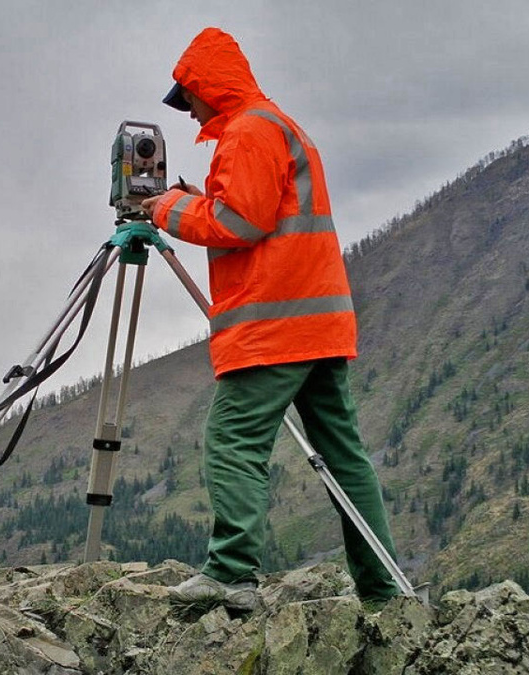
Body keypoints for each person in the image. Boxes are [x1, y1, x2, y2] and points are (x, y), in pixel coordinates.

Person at [139, 27, 400, 612]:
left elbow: (238, 222)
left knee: (232, 440)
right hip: (318, 323)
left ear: (208, 86)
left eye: (189, 98)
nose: (189, 112)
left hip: (275, 324)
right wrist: (195, 197)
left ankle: (231, 574)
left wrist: (166, 207)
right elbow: (261, 211)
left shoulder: (248, 130)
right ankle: (384, 591)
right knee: (345, 456)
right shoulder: (279, 125)